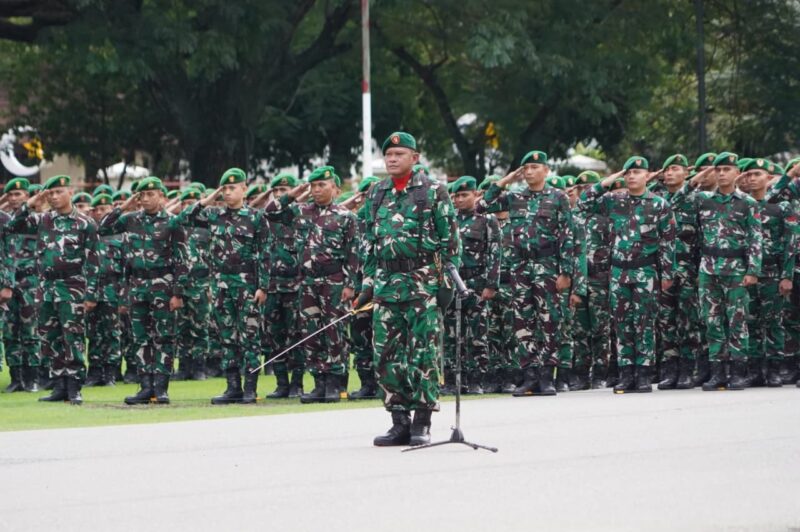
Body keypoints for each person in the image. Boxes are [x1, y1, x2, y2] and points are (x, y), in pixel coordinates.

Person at [358, 131, 460, 446]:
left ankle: (422, 421)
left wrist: (444, 289)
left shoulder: (433, 192)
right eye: (388, 154)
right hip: (387, 287)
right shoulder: (376, 193)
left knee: (424, 354)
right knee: (386, 355)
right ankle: (398, 421)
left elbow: (450, 244)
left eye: (399, 154)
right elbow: (369, 245)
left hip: (422, 285)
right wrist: (368, 283)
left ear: (414, 158)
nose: (391, 159)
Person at [577, 156, 676, 393]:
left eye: (636, 172)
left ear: (647, 176)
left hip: (646, 270)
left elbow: (667, 241)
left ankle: (643, 374)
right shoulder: (613, 200)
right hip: (619, 270)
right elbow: (583, 202)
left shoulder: (659, 204)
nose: (631, 176)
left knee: (644, 323)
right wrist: (607, 180)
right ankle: (625, 372)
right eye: (628, 172)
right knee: (621, 324)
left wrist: (667, 273)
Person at [483, 150, 574, 397]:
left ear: (546, 170)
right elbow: (483, 204)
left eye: (535, 167)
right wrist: (504, 181)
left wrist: (566, 272)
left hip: (547, 265)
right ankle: (529, 374)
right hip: (520, 267)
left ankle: (547, 375)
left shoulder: (558, 198)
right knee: (522, 321)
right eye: (526, 168)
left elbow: (567, 235)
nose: (530, 172)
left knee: (549, 320)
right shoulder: (514, 197)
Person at [265, 166, 358, 403]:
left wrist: (350, 284)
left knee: (334, 332)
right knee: (311, 333)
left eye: (322, 185)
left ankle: (335, 383)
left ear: (335, 189)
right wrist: (293, 193)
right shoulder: (301, 211)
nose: (316, 190)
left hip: (334, 282)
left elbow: (354, 253)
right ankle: (318, 382)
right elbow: (270, 212)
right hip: (307, 282)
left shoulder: (346, 216)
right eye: (313, 186)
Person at [6, 175, 100, 405]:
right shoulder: (43, 220)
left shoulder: (85, 223)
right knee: (50, 339)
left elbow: (94, 261)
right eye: (51, 193)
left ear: (70, 191)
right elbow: (12, 224)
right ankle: (59, 386)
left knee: (73, 338)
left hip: (73, 287)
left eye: (59, 192)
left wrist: (91, 294)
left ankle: (75, 386)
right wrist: (31, 202)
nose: (55, 197)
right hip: (46, 288)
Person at [181, 168, 267, 404]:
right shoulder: (214, 216)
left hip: (247, 284)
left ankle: (250, 388)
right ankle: (233, 387)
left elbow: (265, 253)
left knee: (249, 338)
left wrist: (263, 287)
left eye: (232, 188)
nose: (228, 193)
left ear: (244, 189)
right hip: (221, 285)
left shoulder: (256, 217)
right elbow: (185, 218)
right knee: (227, 338)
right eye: (224, 189)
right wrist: (208, 198)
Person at [100, 176, 188, 405]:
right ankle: (145, 387)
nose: (146, 199)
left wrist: (178, 293)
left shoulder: (173, 222)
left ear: (161, 196)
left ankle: (161, 388)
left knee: (164, 338)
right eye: (142, 195)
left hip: (163, 286)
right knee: (140, 338)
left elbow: (182, 260)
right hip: (137, 287)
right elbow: (103, 228)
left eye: (151, 194)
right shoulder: (129, 220)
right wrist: (123, 206)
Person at [691, 153, 762, 391]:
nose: (721, 173)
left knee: (737, 321)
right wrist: (700, 177)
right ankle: (718, 372)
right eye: (718, 169)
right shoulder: (703, 199)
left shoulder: (747, 203)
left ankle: (738, 372)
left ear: (736, 173)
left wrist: (753, 270)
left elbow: (755, 239)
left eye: (726, 169)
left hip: (735, 270)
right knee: (711, 322)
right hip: (709, 269)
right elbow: (679, 200)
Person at [443, 176, 500, 395]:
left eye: (464, 195)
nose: (458, 200)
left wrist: (491, 285)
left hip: (477, 284)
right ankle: (452, 381)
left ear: (476, 195)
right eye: (456, 196)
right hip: (452, 283)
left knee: (477, 335)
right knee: (450, 336)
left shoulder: (486, 220)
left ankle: (477, 380)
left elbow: (495, 254)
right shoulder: (449, 220)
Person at [741, 158, 793, 387]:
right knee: (750, 321)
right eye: (749, 174)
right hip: (749, 272)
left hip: (773, 272)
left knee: (774, 323)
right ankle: (754, 370)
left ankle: (774, 369)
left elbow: (791, 242)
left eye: (757, 174)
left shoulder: (782, 208)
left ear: (770, 178)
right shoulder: (742, 205)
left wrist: (787, 275)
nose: (752, 178)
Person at [256, 173, 305, 399]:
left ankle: (297, 383)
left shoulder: (301, 215)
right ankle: (281, 383)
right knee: (274, 336)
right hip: (272, 286)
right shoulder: (267, 217)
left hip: (295, 286)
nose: (279, 195)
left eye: (284, 191)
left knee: (296, 336)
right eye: (276, 191)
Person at [656, 154, 703, 390]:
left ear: (686, 173)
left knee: (688, 320)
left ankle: (688, 369)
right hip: (663, 271)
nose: (669, 173)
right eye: (666, 170)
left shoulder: (696, 199)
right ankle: (670, 369)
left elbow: (704, 236)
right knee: (666, 321)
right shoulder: (658, 200)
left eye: (675, 169)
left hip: (688, 269)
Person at [569, 170, 613, 390]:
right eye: (581, 189)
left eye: (590, 188)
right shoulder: (574, 215)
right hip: (579, 280)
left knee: (601, 328)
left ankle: (600, 372)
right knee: (579, 329)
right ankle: (580, 373)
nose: (586, 192)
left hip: (600, 279)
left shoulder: (609, 214)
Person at [1, 177, 42, 392]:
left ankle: (32, 377)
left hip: (31, 282)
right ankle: (16, 377)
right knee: (10, 332)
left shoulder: (38, 219)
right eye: (11, 195)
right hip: (8, 282)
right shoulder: (7, 220)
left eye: (19, 194)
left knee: (31, 330)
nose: (14, 198)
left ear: (28, 195)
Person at [169, 188, 211, 381]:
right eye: (186, 204)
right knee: (182, 327)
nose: (190, 207)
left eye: (193, 202)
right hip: (181, 285)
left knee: (200, 326)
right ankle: (184, 366)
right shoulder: (178, 227)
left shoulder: (207, 227)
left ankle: (200, 366)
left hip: (202, 284)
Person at [84, 193, 124, 386]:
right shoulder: (88, 233)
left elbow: (126, 267)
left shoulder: (119, 236)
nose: (100, 212)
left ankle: (111, 372)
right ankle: (94, 371)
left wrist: (125, 294)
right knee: (93, 333)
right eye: (97, 209)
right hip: (91, 290)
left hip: (112, 290)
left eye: (104, 209)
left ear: (111, 209)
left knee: (112, 333)